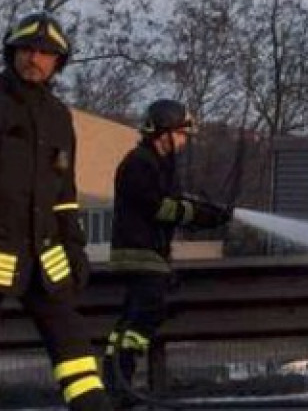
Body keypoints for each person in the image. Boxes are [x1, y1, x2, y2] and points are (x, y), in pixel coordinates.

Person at [0, 11, 110, 411]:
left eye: (47, 54)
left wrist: (74, 245)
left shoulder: (59, 116)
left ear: (57, 64)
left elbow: (63, 192)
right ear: (12, 52)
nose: (36, 58)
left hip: (45, 257)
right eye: (28, 49)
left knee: (75, 349)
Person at [101, 99, 233, 401]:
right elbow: (159, 206)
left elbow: (174, 201)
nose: (185, 141)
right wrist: (198, 215)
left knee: (134, 319)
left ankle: (117, 382)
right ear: (165, 133)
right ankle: (119, 384)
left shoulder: (159, 164)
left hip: (152, 254)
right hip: (139, 253)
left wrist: (206, 212)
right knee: (145, 314)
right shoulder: (139, 162)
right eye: (182, 134)